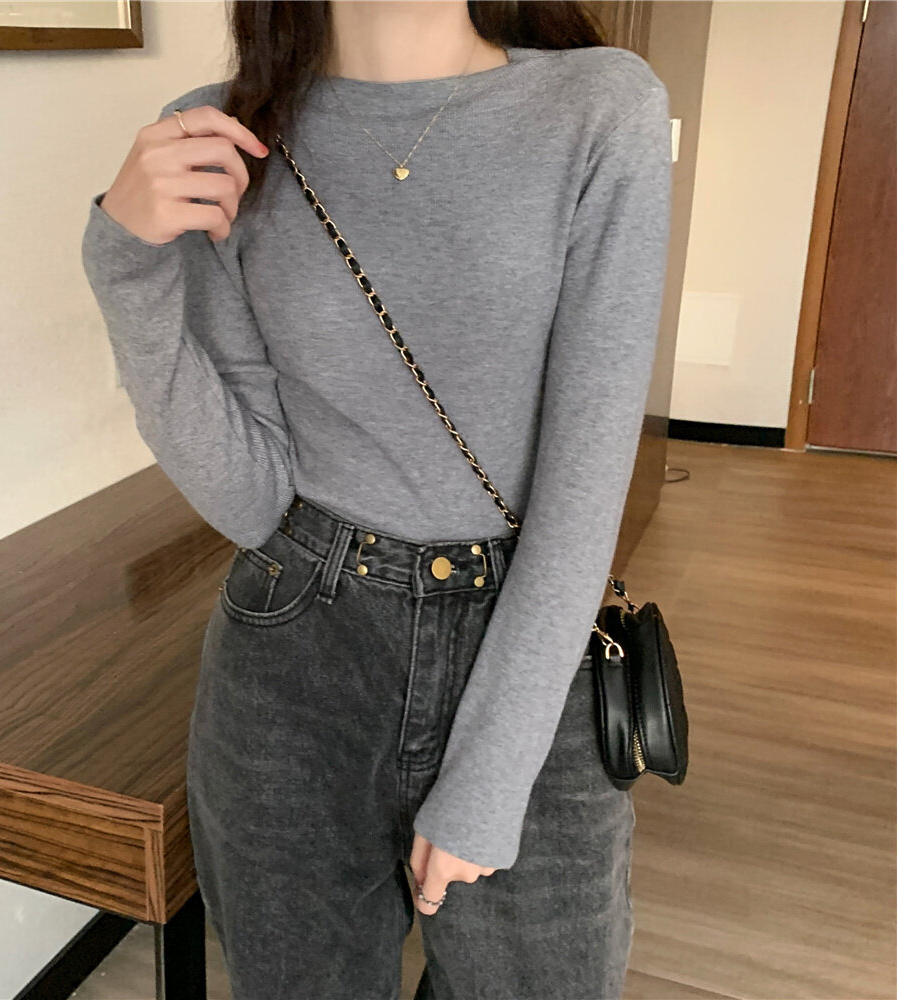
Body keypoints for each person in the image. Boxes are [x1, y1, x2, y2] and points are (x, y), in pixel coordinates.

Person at [81, 1, 672, 997]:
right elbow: (253, 499)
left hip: (527, 644)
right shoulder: (225, 135)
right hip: (295, 651)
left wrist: (488, 777)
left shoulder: (598, 105)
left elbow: (586, 479)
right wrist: (123, 262)